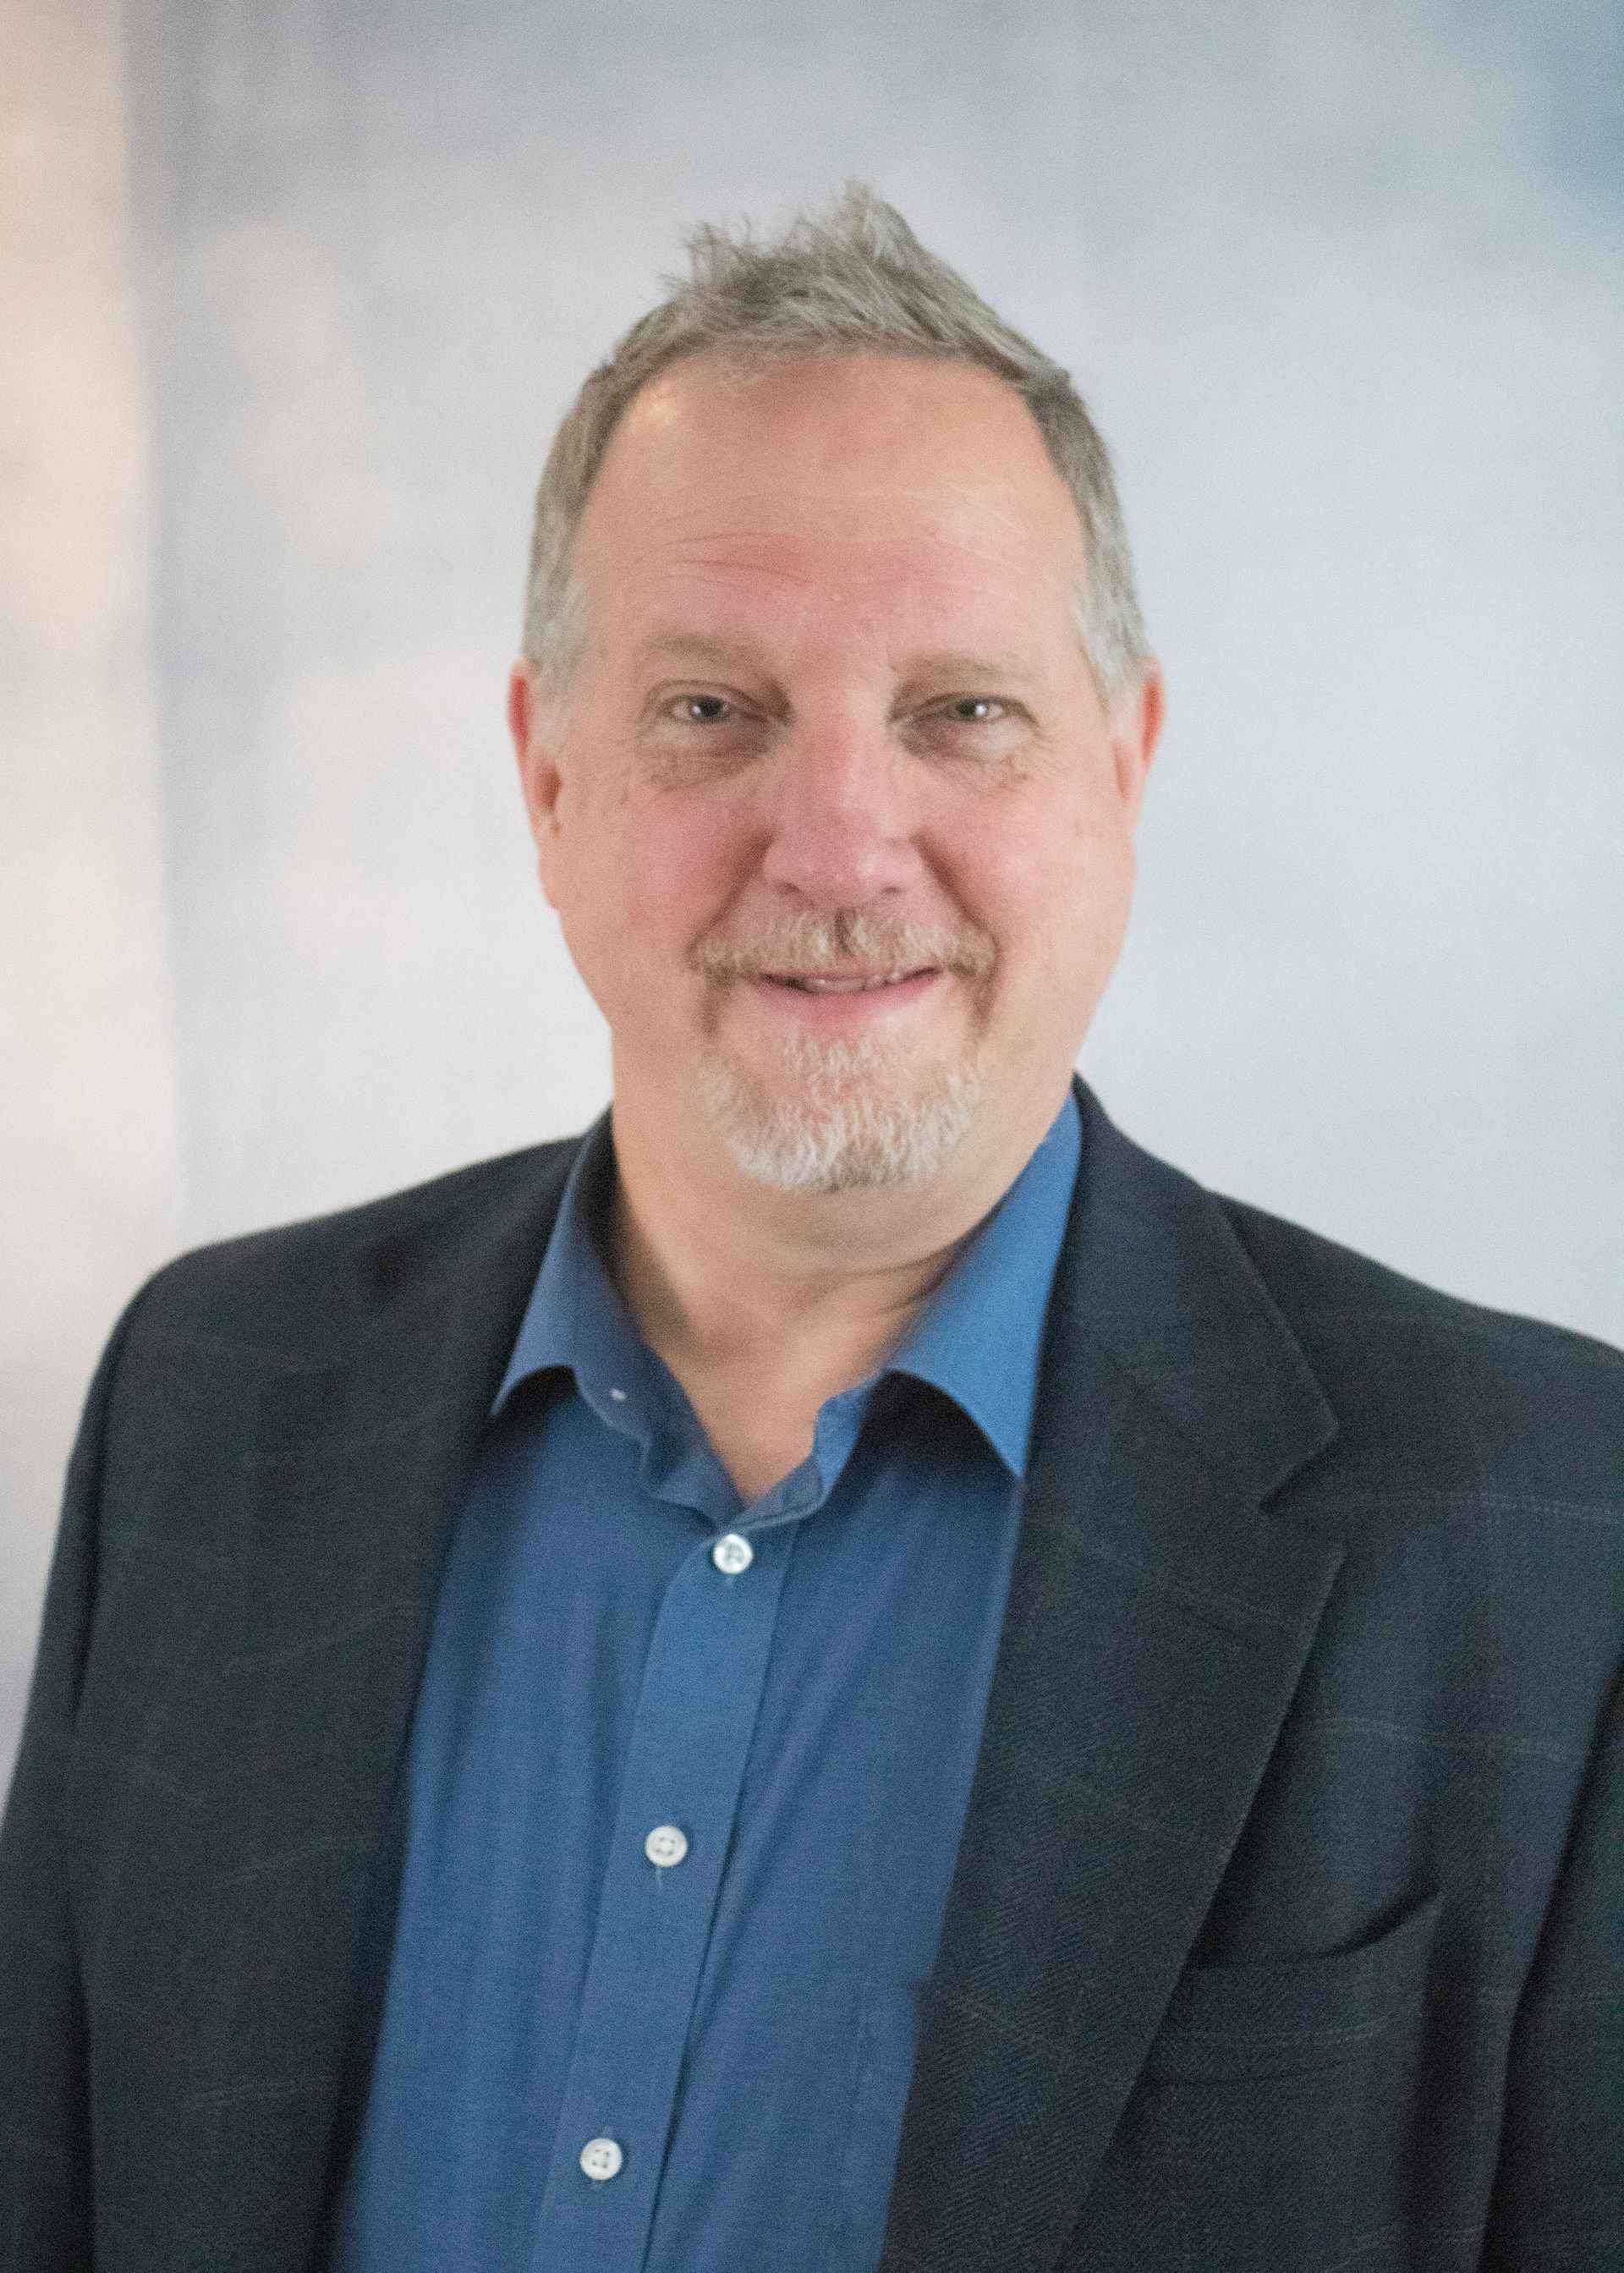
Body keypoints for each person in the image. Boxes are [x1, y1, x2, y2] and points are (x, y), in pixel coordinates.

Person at [0, 185, 1618, 2273]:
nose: (842, 848)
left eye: (961, 712)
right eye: (712, 710)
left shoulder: (1541, 1541)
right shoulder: (210, 1404)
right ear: (548, 776)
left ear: (1122, 770)